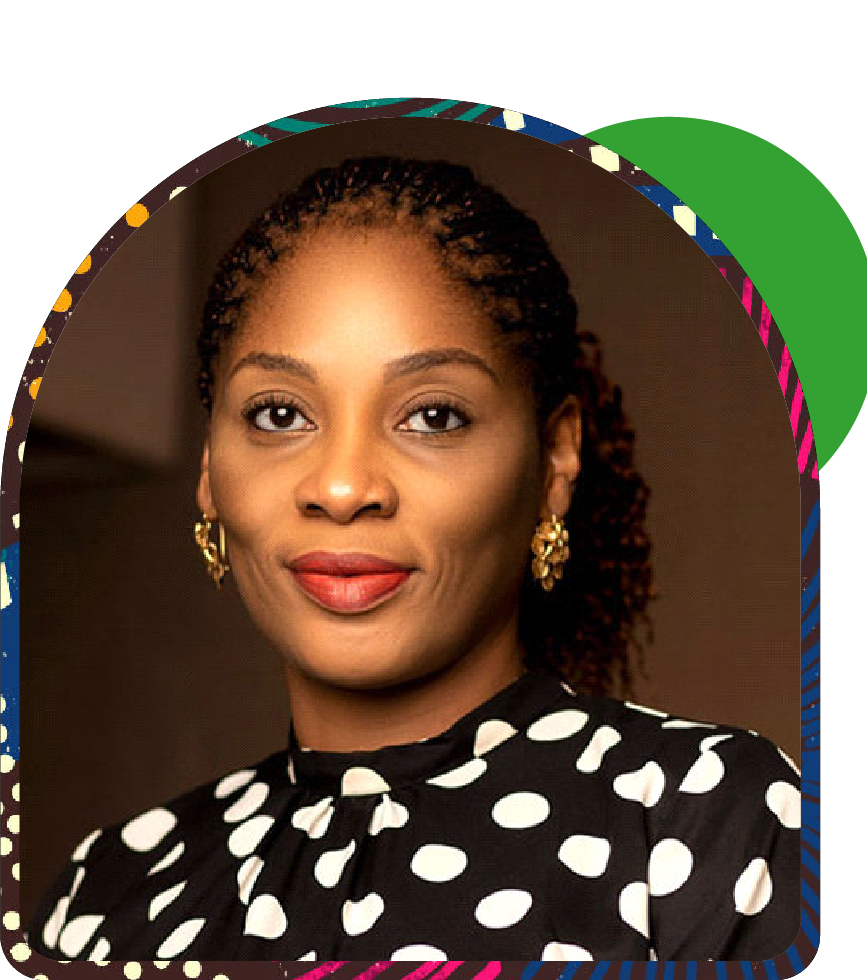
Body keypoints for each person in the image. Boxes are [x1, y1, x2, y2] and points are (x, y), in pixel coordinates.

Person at [27, 156, 800, 963]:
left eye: (433, 416)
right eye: (279, 414)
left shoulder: (713, 822)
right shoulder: (105, 896)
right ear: (211, 473)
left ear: (554, 460)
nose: (341, 487)